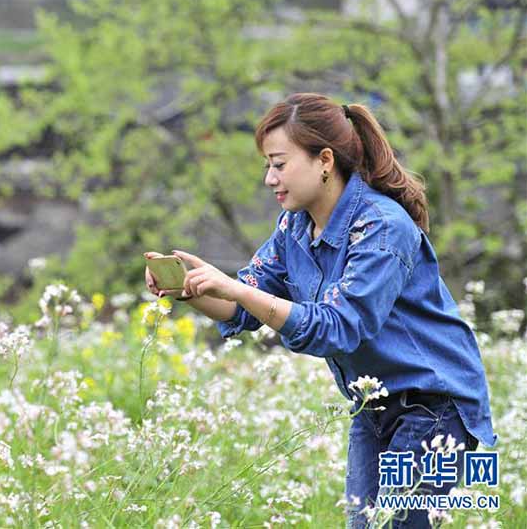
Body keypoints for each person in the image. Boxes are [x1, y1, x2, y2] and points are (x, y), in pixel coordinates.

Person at [144, 93, 497, 528]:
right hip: (372, 403)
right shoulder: (295, 227)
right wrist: (191, 289)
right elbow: (244, 307)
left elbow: (339, 328)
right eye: (268, 166)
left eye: (279, 163)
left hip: (434, 404)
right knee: (363, 524)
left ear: (324, 160)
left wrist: (234, 288)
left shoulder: (382, 227)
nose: (270, 179)